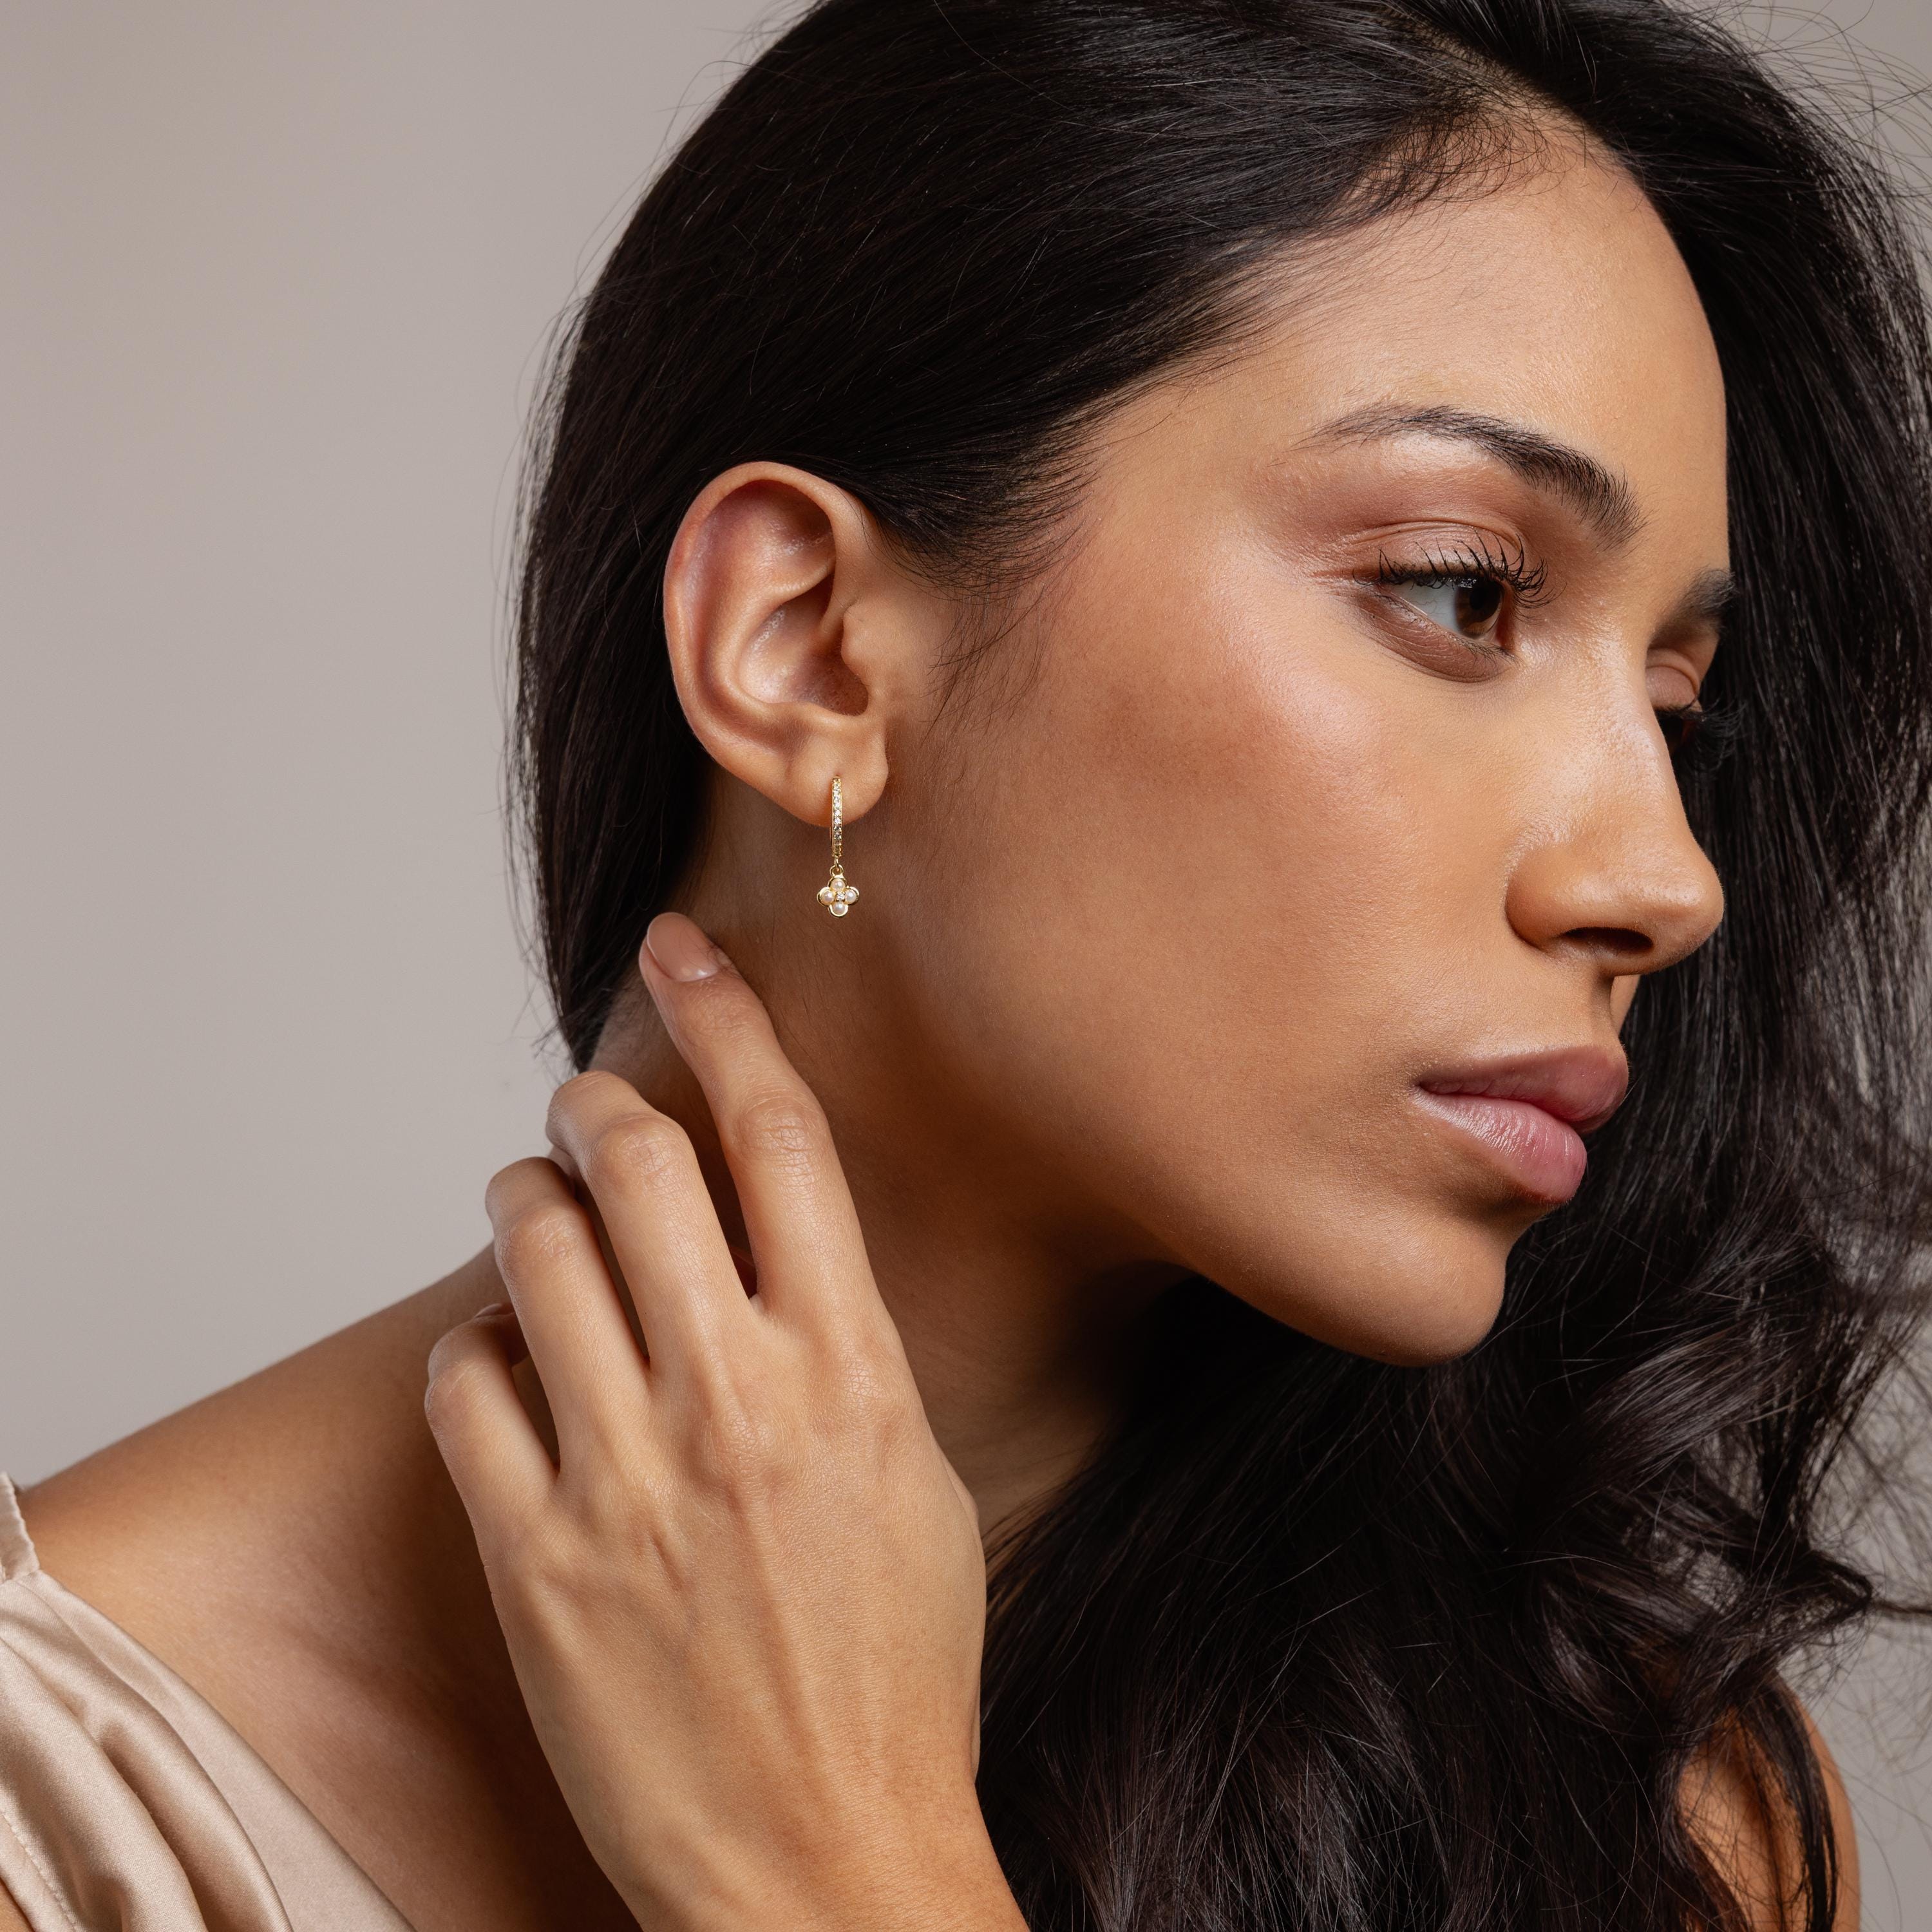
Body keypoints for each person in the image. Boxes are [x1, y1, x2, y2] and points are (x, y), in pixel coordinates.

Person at [6, 0, 1931, 1926]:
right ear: (811, 647)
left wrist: (836, 1871)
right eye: (1461, 592)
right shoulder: (61, 1832)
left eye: (1679, 702)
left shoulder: (1628, 1813)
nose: (1667, 882)